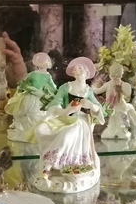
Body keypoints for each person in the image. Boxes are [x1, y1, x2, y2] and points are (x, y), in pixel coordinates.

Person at [31, 57, 104, 192]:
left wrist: (91, 105)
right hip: (64, 117)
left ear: (86, 73)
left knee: (67, 134)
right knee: (41, 129)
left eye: (80, 68)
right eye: (75, 69)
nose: (77, 70)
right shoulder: (66, 87)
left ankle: (51, 165)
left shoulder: (88, 91)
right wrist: (66, 111)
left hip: (80, 120)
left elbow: (99, 109)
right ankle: (49, 162)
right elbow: (55, 103)